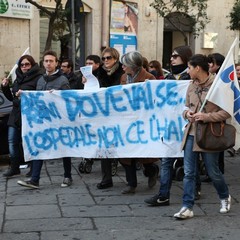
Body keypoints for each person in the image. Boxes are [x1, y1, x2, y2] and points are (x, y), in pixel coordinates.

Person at [174, 54, 231, 219]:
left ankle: (224, 196)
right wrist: (187, 114)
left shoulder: (218, 86)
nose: (188, 71)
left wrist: (206, 117)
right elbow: (184, 107)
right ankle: (187, 206)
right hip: (191, 133)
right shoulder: (191, 85)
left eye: (190, 68)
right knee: (189, 172)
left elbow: (226, 112)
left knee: (213, 171)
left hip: (209, 134)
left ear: (197, 68)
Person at [145, 45, 200, 206]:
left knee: (190, 160)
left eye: (175, 56)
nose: (171, 59)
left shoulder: (191, 79)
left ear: (185, 57)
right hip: (169, 126)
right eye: (171, 56)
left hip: (187, 125)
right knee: (167, 160)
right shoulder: (169, 78)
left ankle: (195, 188)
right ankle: (163, 195)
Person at [17, 50, 72, 189]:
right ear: (43, 63)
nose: (48, 63)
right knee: (39, 145)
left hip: (59, 121)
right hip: (43, 120)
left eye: (51, 61)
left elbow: (68, 100)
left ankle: (67, 176)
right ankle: (35, 179)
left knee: (64, 147)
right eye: (46, 61)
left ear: (56, 63)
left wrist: (56, 97)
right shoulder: (41, 79)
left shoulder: (63, 80)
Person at [119, 51, 160, 194]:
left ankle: (152, 170)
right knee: (126, 154)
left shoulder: (149, 78)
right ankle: (131, 184)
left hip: (143, 121)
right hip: (127, 120)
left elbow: (154, 100)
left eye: (125, 64)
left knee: (144, 154)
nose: (122, 67)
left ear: (134, 66)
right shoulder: (124, 77)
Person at [1, 55, 43, 178]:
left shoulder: (38, 78)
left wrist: (21, 98)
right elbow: (11, 98)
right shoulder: (18, 78)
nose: (24, 67)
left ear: (32, 65)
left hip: (29, 116)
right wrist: (4, 87)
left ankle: (32, 168)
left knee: (28, 142)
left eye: (27, 64)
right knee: (12, 141)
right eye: (22, 65)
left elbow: (37, 97)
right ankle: (14, 167)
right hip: (15, 116)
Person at [96, 47, 125, 189]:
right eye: (103, 58)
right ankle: (106, 179)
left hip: (120, 115)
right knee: (104, 146)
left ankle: (149, 169)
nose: (105, 61)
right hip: (104, 116)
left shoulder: (122, 73)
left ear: (115, 59)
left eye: (109, 58)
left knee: (127, 147)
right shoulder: (97, 73)